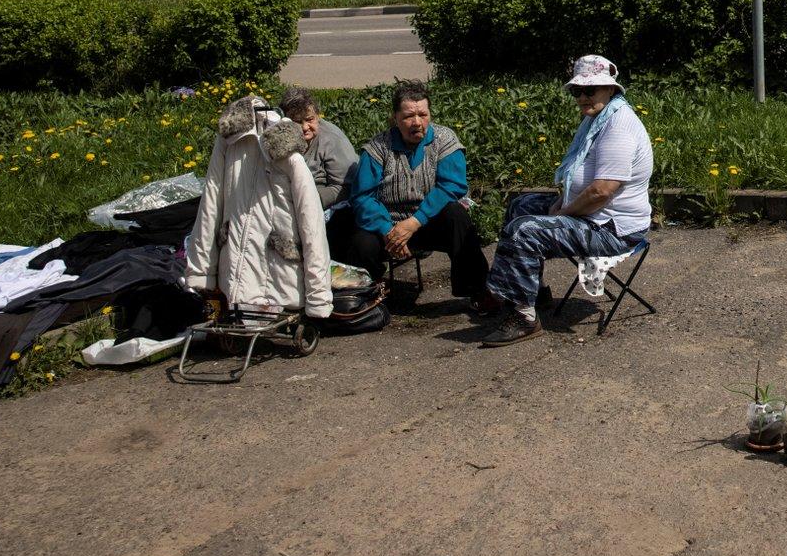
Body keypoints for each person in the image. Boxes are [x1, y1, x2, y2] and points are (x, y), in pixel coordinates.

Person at [477, 55, 653, 347]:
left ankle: (523, 319)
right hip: (594, 217)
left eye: (590, 89)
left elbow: (602, 191)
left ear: (610, 89)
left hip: (613, 230)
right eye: (577, 91)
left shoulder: (618, 126)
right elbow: (580, 177)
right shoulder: (597, 119)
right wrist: (562, 201)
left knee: (525, 230)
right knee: (520, 206)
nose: (582, 97)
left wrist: (563, 212)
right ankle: (531, 293)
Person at [330, 81, 493, 307]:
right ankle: (367, 296)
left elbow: (452, 186)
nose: (417, 122)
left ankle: (478, 290)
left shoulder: (444, 140)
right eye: (408, 116)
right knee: (361, 242)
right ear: (395, 117)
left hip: (427, 221)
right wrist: (389, 230)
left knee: (457, 217)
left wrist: (415, 222)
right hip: (387, 226)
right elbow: (362, 196)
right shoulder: (378, 148)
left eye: (422, 114)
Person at [279, 87, 356, 211]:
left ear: (317, 117)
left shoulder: (332, 139)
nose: (305, 127)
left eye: (309, 119)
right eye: (297, 122)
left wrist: (311, 200)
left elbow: (346, 186)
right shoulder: (277, 136)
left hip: (323, 207)